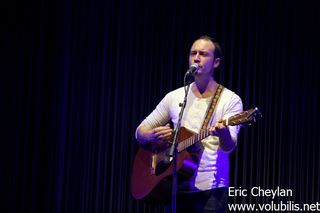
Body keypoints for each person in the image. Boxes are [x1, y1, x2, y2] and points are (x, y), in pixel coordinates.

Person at [135, 35, 243, 212]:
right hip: (175, 187)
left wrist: (223, 133)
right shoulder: (175, 96)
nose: (197, 58)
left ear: (216, 63)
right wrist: (150, 135)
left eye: (203, 54)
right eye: (193, 53)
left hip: (211, 190)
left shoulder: (230, 99)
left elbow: (229, 145)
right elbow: (140, 131)